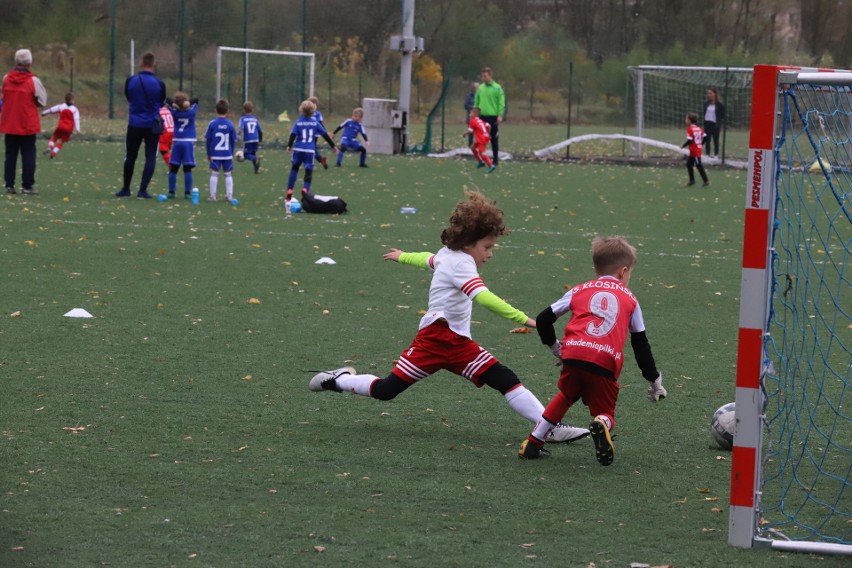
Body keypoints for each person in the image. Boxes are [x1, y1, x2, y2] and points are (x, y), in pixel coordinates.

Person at [308, 190, 590, 446]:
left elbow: (428, 259)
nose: (490, 254)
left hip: (451, 341)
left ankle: (548, 426)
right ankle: (339, 379)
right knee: (387, 390)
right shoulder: (462, 264)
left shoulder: (450, 254)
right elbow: (484, 297)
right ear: (469, 244)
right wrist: (528, 320)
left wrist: (403, 256)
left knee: (501, 379)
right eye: (487, 247)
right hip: (439, 338)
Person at [518, 236, 666, 464]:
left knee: (566, 395)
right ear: (623, 271)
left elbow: (543, 319)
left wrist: (556, 348)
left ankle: (533, 442)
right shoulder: (631, 300)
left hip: (574, 354)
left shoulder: (580, 290)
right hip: (604, 361)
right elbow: (640, 344)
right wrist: (654, 380)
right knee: (605, 412)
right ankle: (601, 424)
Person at [116, 52, 165, 199]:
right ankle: (142, 190)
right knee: (150, 156)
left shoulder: (131, 80)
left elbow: (128, 97)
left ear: (141, 63)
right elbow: (161, 102)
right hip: (151, 124)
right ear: (154, 65)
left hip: (134, 123)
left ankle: (125, 188)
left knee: (130, 155)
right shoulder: (159, 83)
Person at [1, 49, 47, 195]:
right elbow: (42, 101)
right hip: (27, 123)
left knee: (10, 155)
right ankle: (27, 186)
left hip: (10, 123)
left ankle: (9, 185)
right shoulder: (33, 80)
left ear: (16, 61)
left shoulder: (7, 78)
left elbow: (4, 97)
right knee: (28, 155)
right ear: (30, 63)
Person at [285, 99, 337, 212]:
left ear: (301, 111)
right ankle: (305, 191)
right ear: (313, 111)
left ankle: (289, 190)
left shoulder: (298, 122)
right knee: (308, 172)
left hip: (298, 149)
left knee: (294, 168)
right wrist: (333, 146)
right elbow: (325, 135)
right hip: (310, 151)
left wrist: (289, 146)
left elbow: (293, 135)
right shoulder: (315, 122)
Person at [167, 91, 199, 199]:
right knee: (187, 169)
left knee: (173, 168)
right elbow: (196, 100)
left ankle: (171, 192)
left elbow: (167, 100)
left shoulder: (174, 112)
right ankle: (187, 193)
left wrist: (175, 105)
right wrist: (187, 103)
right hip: (188, 142)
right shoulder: (191, 112)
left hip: (177, 142)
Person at [204, 98, 237, 202]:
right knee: (228, 174)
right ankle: (229, 196)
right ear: (227, 111)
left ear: (215, 110)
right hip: (227, 154)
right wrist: (231, 153)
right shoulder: (230, 124)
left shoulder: (212, 124)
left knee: (214, 173)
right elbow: (233, 140)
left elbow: (208, 140)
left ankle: (213, 196)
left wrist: (209, 153)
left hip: (215, 154)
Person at [474, 67, 504, 167]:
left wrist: (500, 114)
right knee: (481, 139)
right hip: (482, 117)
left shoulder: (497, 88)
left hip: (493, 118)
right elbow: (476, 101)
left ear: (490, 76)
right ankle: (482, 159)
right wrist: (475, 113)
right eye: (482, 76)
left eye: (485, 76)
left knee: (493, 139)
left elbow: (501, 102)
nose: (483, 78)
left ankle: (495, 160)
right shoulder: (481, 88)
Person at [41, 92, 81, 160]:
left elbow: (51, 110)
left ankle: (50, 147)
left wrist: (44, 113)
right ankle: (53, 154)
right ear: (71, 101)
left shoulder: (61, 106)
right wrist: (78, 129)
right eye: (73, 99)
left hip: (61, 126)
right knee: (61, 141)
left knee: (54, 137)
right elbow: (76, 119)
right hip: (69, 128)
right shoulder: (75, 109)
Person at [462, 107, 495, 173]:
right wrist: (487, 133)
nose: (469, 114)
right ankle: (481, 162)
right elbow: (489, 126)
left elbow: (470, 131)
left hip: (481, 139)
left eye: (470, 113)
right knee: (472, 147)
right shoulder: (480, 120)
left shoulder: (472, 121)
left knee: (483, 153)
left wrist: (465, 133)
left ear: (475, 114)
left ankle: (491, 165)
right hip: (484, 137)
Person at [683, 112, 709, 187]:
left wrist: (683, 145)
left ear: (690, 120)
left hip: (695, 151)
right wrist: (700, 144)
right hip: (695, 150)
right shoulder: (699, 128)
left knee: (698, 165)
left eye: (686, 118)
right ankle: (692, 180)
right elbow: (705, 137)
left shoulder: (690, 129)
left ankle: (706, 180)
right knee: (689, 164)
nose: (685, 120)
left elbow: (690, 140)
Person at [237, 101, 262, 174]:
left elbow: (241, 127)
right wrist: (260, 140)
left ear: (244, 110)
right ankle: (256, 170)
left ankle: (255, 159)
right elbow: (260, 130)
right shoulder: (255, 119)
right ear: (252, 110)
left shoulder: (242, 119)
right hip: (256, 139)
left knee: (246, 155)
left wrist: (238, 136)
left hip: (248, 140)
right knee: (253, 153)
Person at [703, 87, 725, 157]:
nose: (709, 95)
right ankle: (707, 154)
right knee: (707, 140)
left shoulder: (719, 104)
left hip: (715, 124)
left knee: (715, 140)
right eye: (708, 93)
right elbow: (704, 113)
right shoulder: (706, 103)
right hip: (707, 123)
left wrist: (718, 122)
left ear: (715, 94)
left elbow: (723, 115)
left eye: (710, 93)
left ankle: (716, 155)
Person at [308, 96, 328, 170]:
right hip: (316, 133)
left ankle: (318, 159)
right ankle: (319, 159)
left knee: (310, 147)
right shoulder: (318, 113)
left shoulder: (306, 112)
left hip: (308, 132)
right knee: (312, 147)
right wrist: (324, 131)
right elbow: (320, 123)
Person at [158, 102, 175, 168]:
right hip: (172, 131)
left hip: (165, 132)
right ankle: (172, 165)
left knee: (163, 151)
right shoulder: (169, 110)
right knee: (167, 151)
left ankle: (172, 166)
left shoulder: (158, 111)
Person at [464, 81, 479, 146]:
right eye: (475, 87)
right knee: (471, 132)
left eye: (478, 87)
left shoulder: (482, 96)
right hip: (471, 118)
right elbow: (466, 105)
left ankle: (479, 146)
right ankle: (470, 146)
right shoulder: (469, 96)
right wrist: (472, 108)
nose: (477, 88)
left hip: (479, 118)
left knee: (479, 132)